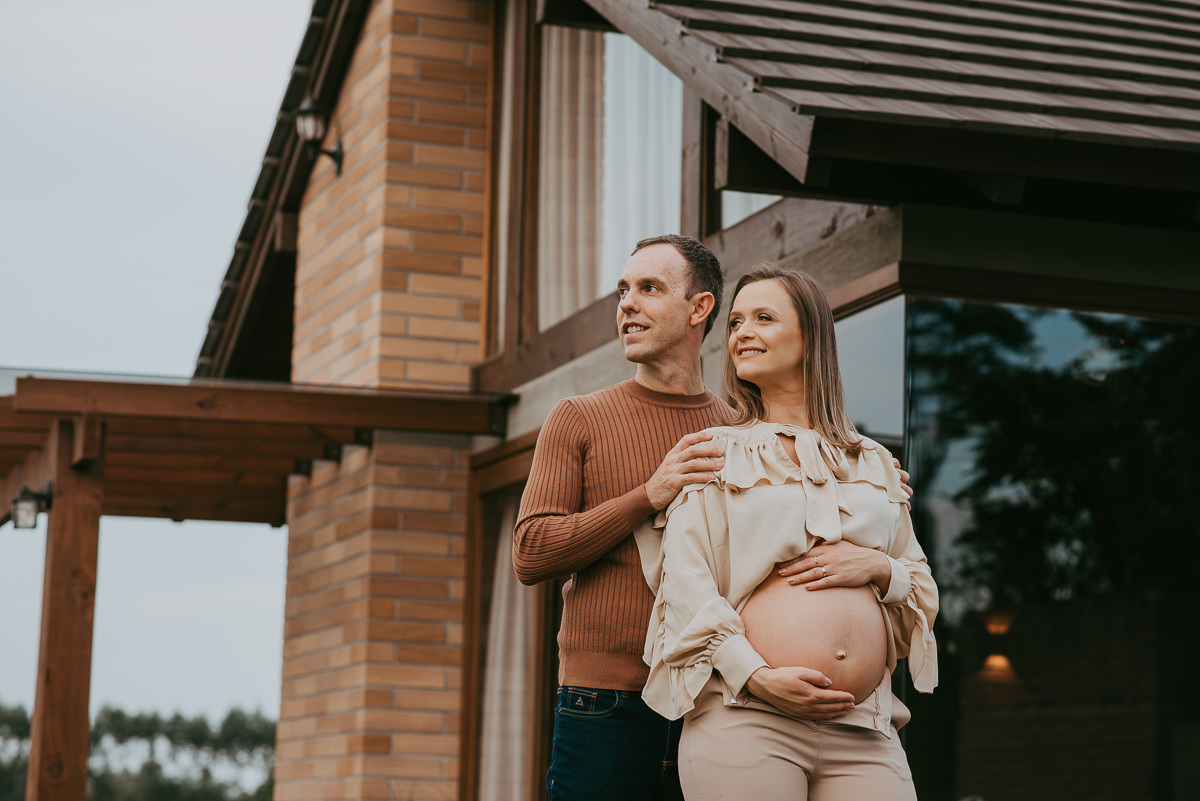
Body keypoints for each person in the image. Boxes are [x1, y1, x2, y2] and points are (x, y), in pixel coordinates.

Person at [514, 238, 911, 800]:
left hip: (724, 695)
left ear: (699, 308)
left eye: (649, 288)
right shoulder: (579, 417)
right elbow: (531, 552)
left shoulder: (742, 435)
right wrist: (648, 495)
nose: (627, 303)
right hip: (610, 699)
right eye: (623, 290)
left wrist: (870, 489)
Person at [637, 266, 938, 801]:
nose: (742, 333)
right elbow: (685, 585)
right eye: (735, 322)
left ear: (810, 335)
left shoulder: (873, 462)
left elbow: (917, 578)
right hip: (748, 717)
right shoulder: (714, 452)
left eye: (763, 318)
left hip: (864, 728)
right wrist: (754, 674)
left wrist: (878, 567)